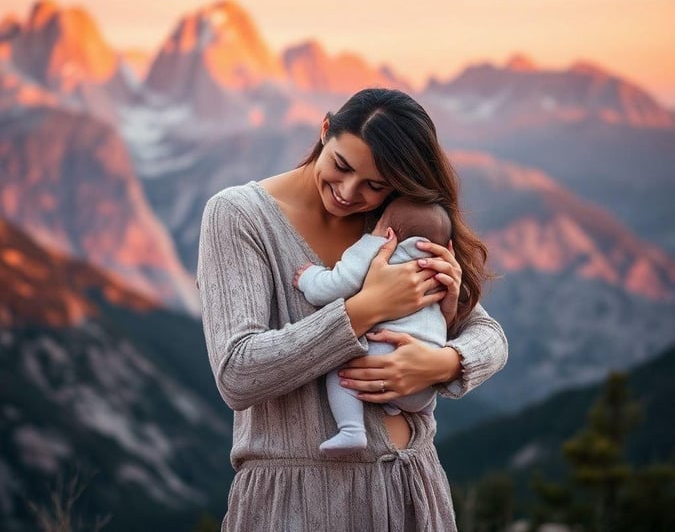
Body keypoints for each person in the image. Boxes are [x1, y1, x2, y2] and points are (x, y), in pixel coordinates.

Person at [197, 88, 508, 531]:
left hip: (413, 492)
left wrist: (442, 360)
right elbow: (237, 372)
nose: (348, 192)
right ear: (325, 131)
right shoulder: (239, 216)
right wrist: (363, 310)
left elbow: (490, 338)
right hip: (297, 506)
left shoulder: (393, 222)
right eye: (341, 166)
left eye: (374, 185)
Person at [294, 197, 453, 456]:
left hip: (382, 361)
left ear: (388, 232)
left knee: (341, 368)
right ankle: (423, 415)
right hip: (426, 379)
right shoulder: (439, 265)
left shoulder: (376, 247)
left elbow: (334, 285)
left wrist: (308, 278)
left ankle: (351, 430)